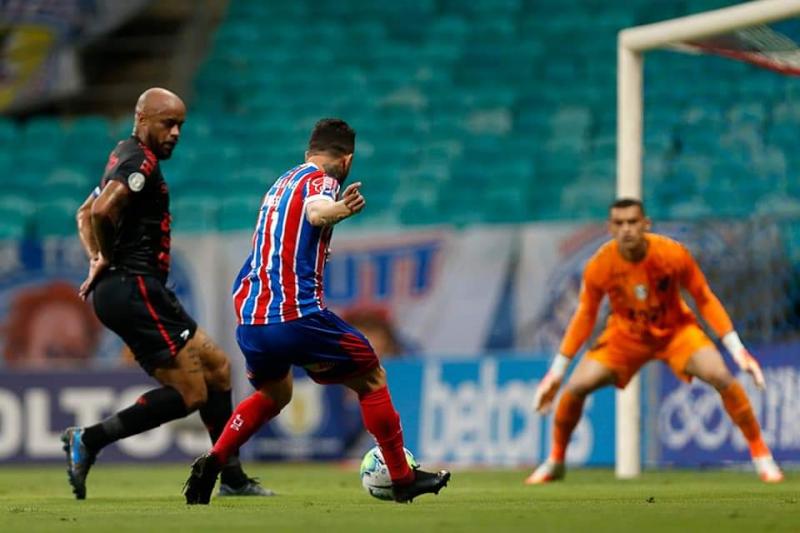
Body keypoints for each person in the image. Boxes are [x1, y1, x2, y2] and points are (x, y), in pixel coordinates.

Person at [183, 118, 451, 504]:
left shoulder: (279, 184)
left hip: (253, 320)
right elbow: (316, 211)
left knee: (276, 392)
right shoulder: (322, 181)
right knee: (372, 377)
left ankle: (217, 458)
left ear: (308, 151)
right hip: (296, 315)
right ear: (347, 160)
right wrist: (339, 209)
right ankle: (401, 476)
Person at [63, 87, 271, 500]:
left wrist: (95, 258)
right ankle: (89, 439)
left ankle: (230, 476)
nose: (176, 132)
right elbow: (101, 212)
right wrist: (104, 256)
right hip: (132, 288)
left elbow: (84, 212)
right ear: (142, 119)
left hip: (139, 289)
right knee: (192, 392)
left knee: (217, 369)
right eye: (168, 123)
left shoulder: (124, 154)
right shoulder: (139, 161)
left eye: (181, 125)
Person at [527, 198, 783, 484]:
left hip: (676, 332)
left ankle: (762, 456)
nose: (627, 230)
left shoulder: (672, 254)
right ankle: (556, 461)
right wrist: (557, 372)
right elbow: (585, 315)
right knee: (575, 388)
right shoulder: (600, 264)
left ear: (645, 224)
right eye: (620, 223)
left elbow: (704, 298)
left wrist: (738, 350)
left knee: (721, 375)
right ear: (610, 228)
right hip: (625, 337)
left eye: (633, 222)